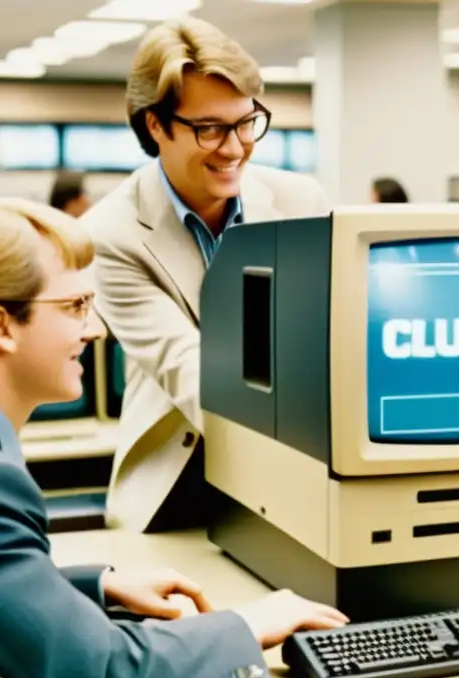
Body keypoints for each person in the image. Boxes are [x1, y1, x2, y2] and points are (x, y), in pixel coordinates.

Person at [0, 199, 348, 678]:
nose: (96, 331)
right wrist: (246, 624)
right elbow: (96, 675)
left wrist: (91, 589)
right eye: (75, 306)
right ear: (1, 326)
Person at [82, 17, 329, 532]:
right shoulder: (110, 233)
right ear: (155, 125)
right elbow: (187, 367)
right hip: (182, 475)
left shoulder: (300, 200)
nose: (235, 147)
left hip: (303, 463)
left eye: (246, 122)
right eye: (209, 129)